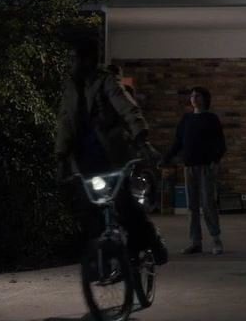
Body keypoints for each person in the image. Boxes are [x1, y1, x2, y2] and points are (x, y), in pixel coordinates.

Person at [54, 24, 169, 265]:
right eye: (70, 58)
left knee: (125, 204)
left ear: (88, 59)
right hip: (85, 160)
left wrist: (141, 137)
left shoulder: (106, 81)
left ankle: (151, 240)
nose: (71, 63)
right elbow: (66, 120)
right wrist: (61, 154)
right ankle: (101, 260)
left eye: (75, 58)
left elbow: (127, 109)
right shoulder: (71, 87)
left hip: (112, 155)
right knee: (88, 209)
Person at [161, 86, 227, 255]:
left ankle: (216, 239)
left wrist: (215, 160)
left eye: (197, 96)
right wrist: (166, 158)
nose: (194, 99)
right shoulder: (186, 119)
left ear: (205, 99)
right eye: (192, 96)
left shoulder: (211, 119)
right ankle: (195, 242)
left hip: (205, 166)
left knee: (208, 204)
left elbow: (220, 143)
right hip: (189, 166)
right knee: (192, 206)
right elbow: (178, 142)